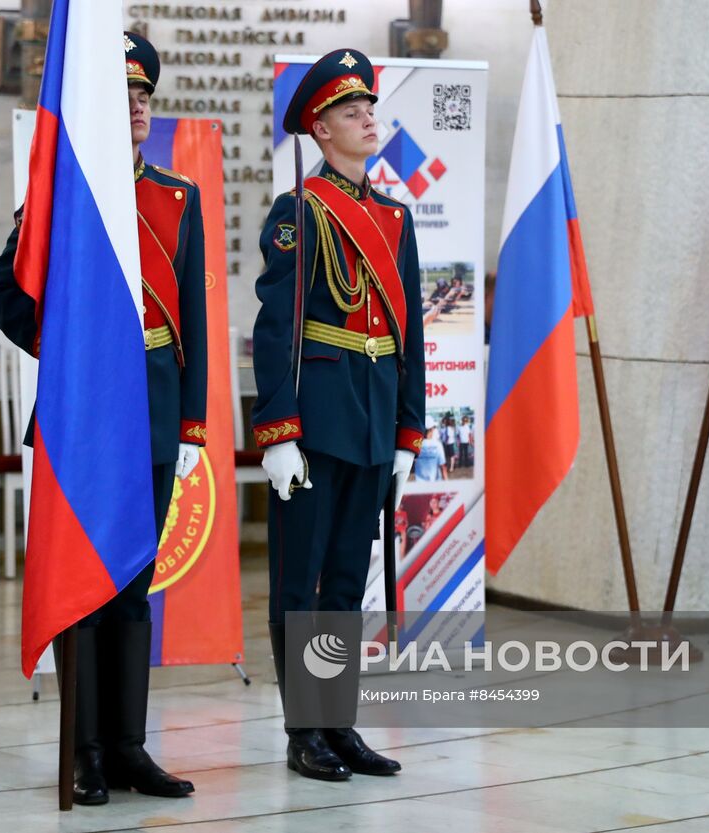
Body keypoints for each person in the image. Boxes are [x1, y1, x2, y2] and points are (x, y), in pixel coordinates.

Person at [0, 31, 205, 806]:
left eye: (145, 96)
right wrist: (72, 348)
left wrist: (193, 427)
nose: (139, 109)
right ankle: (81, 748)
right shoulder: (63, 196)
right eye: (124, 96)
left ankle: (127, 746)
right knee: (86, 586)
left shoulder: (178, 199)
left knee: (134, 588)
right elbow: (4, 293)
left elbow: (196, 325)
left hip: (151, 413)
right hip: (83, 419)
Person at [252, 48, 425, 782]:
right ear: (320, 129)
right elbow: (277, 327)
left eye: (369, 108)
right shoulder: (300, 211)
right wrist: (279, 430)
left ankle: (338, 721)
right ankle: (304, 732)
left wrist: (410, 426)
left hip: (372, 414)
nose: (368, 119)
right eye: (352, 112)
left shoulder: (395, 214)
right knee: (303, 579)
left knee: (348, 578)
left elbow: (410, 325)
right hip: (317, 416)